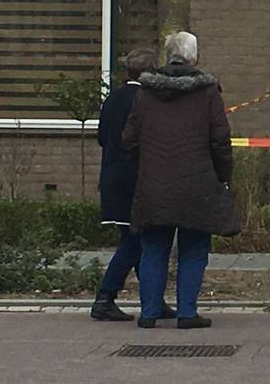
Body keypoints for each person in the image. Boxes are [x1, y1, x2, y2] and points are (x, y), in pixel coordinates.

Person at [124, 31, 239, 329]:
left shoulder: (145, 92)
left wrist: (143, 169)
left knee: (153, 248)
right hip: (197, 185)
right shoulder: (207, 92)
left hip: (153, 184)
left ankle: (149, 312)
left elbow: (130, 138)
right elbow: (220, 139)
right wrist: (223, 174)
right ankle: (186, 312)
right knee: (194, 248)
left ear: (167, 57)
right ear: (194, 58)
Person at [91, 48, 175, 322]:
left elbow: (103, 137)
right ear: (151, 72)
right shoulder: (146, 100)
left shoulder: (113, 98)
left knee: (137, 239)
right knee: (135, 242)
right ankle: (105, 297)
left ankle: (153, 299)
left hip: (112, 178)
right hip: (135, 181)